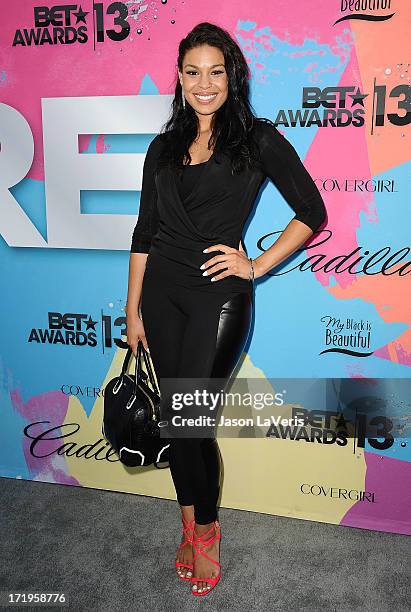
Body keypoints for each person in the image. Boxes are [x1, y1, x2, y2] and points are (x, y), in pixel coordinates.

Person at [126, 22, 327, 596]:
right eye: (193, 72)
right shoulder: (162, 147)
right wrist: (133, 309)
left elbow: (311, 210)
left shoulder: (257, 139)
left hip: (218, 298)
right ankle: (188, 524)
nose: (204, 83)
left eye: (216, 71)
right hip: (160, 294)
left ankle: (207, 533)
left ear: (232, 75)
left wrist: (257, 266)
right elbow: (145, 231)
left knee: (191, 423)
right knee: (174, 423)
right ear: (181, 79)